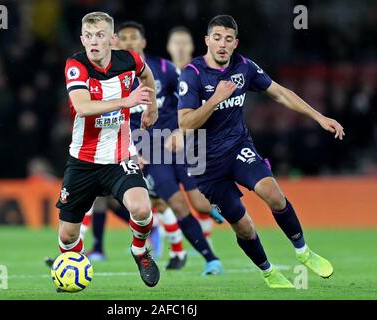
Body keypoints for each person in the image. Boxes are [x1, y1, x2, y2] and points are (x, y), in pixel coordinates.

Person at [178, 15, 344, 288]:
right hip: (205, 164)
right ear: (207, 41)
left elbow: (280, 93)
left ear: (235, 43)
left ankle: (304, 252)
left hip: (238, 148)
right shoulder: (192, 74)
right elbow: (185, 123)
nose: (222, 44)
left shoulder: (244, 67)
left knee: (274, 194)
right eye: (217, 38)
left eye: (228, 39)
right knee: (243, 226)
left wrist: (318, 117)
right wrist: (216, 99)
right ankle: (269, 272)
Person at [55, 12, 159, 288]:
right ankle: (72, 270)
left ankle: (139, 251)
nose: (93, 42)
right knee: (67, 236)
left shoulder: (130, 60)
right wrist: (127, 101)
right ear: (81, 39)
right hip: (83, 161)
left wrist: (152, 106)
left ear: (112, 39)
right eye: (88, 36)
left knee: (142, 208)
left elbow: (147, 75)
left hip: (120, 157)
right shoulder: (76, 65)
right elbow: (83, 106)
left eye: (100, 35)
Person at [116, 21, 224, 275]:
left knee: (200, 203)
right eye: (124, 38)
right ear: (117, 42)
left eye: (134, 38)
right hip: (148, 151)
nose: (129, 42)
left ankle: (220, 206)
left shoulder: (163, 68)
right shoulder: (113, 78)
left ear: (143, 42)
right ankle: (211, 259)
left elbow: (189, 96)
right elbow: (117, 119)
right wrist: (131, 150)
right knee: (177, 206)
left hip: (179, 141)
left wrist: (184, 130)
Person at [167, 26, 215, 241]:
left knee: (200, 203)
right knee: (157, 195)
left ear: (192, 46)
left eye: (184, 42)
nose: (180, 47)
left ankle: (207, 228)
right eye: (176, 42)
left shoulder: (199, 72)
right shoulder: (160, 73)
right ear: (169, 47)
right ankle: (164, 239)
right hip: (162, 143)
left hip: (195, 142)